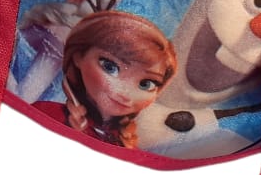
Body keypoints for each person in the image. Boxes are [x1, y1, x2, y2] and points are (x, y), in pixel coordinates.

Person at [34, 11, 176, 148]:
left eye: (145, 84)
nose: (125, 93)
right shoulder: (46, 114)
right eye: (110, 67)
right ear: (79, 56)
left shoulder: (126, 145)